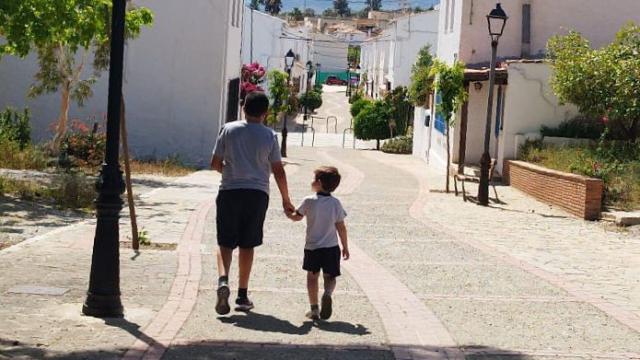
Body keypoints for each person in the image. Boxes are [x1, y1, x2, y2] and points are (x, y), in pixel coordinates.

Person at [211, 91, 295, 315]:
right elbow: (278, 171)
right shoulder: (269, 136)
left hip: (229, 191)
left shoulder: (228, 129)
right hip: (257, 194)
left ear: (243, 108)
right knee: (248, 244)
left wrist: (229, 171)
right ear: (265, 113)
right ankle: (241, 294)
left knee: (225, 242)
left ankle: (222, 281)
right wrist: (286, 200)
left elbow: (215, 163)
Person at [286, 166, 350, 320]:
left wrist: (289, 213)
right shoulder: (336, 203)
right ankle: (327, 294)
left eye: (314, 179)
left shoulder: (309, 201)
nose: (312, 181)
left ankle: (314, 309)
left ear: (319, 183)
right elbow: (341, 226)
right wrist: (345, 246)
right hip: (331, 247)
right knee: (330, 276)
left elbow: (297, 217)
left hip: (313, 248)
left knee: (312, 277)